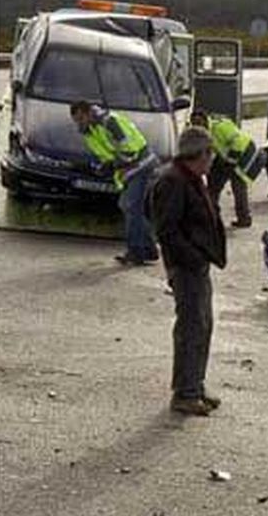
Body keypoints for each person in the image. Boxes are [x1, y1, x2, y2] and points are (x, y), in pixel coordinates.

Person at [149, 126, 227, 416]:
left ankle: (195, 383)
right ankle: (185, 392)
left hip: (197, 264)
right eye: (210, 152)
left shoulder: (191, 177)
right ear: (199, 153)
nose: (212, 158)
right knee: (191, 327)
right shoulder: (173, 181)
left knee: (203, 324)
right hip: (186, 267)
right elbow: (166, 230)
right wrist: (191, 257)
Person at [69, 101, 159, 266]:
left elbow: (129, 151)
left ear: (89, 112)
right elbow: (106, 155)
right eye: (77, 120)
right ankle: (147, 249)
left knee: (130, 207)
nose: (79, 123)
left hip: (140, 165)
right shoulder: (89, 131)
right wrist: (102, 166)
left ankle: (137, 251)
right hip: (129, 170)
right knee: (130, 208)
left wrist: (113, 164)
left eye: (81, 118)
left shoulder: (109, 122)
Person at [190, 109, 259, 228]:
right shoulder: (203, 133)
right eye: (195, 124)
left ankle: (244, 219)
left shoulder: (220, 126)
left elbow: (237, 142)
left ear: (205, 120)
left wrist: (230, 162)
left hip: (243, 154)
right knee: (213, 186)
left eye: (199, 123)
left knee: (238, 186)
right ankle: (212, 218)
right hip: (227, 157)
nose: (198, 127)